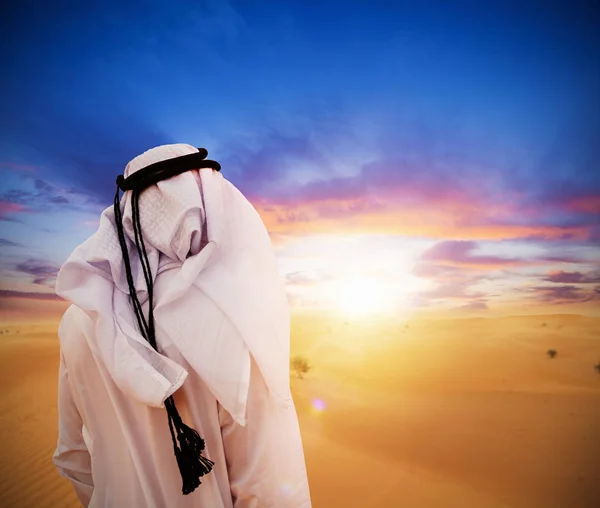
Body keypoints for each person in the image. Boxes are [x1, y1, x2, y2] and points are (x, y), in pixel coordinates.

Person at [53, 144, 312, 507]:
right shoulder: (231, 319)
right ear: (210, 202)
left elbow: (74, 457)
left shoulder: (80, 318)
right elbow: (266, 488)